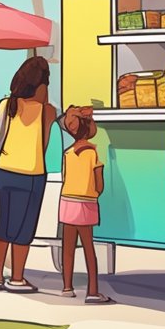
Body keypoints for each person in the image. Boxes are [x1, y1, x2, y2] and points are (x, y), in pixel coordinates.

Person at [0, 56, 58, 294]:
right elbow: (44, 145)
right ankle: (17, 278)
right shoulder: (48, 111)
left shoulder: (7, 105)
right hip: (31, 174)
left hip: (3, 172)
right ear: (42, 84)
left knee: (4, 223)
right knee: (24, 227)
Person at [58, 105, 114, 304]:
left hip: (67, 202)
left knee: (68, 247)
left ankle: (67, 287)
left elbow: (65, 177)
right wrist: (96, 192)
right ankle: (92, 290)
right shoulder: (92, 154)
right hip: (86, 203)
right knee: (88, 248)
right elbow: (99, 184)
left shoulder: (67, 153)